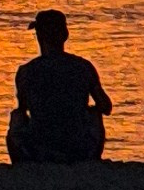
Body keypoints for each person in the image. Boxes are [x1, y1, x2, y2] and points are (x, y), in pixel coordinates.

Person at [7, 8, 112, 164]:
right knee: (94, 115)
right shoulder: (83, 67)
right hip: (78, 148)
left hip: (40, 149)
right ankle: (92, 160)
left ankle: (21, 164)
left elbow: (23, 109)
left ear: (39, 37)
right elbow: (106, 107)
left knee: (17, 115)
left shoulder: (26, 71)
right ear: (65, 36)